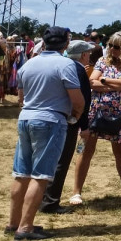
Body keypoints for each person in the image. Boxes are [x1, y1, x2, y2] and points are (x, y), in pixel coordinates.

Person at [9, 27, 84, 240]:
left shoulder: (29, 63)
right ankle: (25, 228)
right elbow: (77, 100)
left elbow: (20, 97)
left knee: (21, 172)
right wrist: (74, 117)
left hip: (26, 118)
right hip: (51, 120)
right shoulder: (66, 65)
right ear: (66, 44)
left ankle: (13, 222)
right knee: (41, 175)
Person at [71, 30, 121, 205]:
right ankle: (76, 192)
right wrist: (116, 86)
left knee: (120, 152)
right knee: (85, 150)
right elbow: (92, 82)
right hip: (94, 112)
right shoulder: (102, 61)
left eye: (116, 47)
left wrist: (104, 81)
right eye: (110, 45)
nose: (112, 49)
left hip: (119, 115)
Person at [40, 39, 93, 215]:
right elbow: (83, 101)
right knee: (62, 161)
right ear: (83, 55)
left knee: (47, 159)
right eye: (89, 53)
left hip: (48, 116)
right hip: (69, 120)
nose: (90, 56)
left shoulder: (57, 65)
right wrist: (84, 126)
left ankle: (40, 197)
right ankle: (51, 201)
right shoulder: (77, 69)